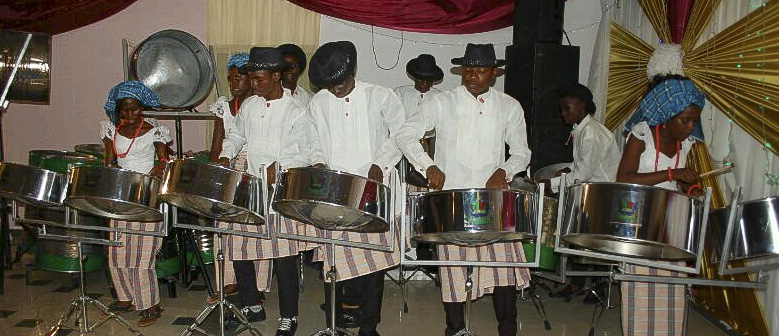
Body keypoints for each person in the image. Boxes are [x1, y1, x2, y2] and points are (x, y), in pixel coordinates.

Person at [396, 43, 532, 336]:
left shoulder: (509, 106)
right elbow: (406, 134)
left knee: (502, 270)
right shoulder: (443, 102)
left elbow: (522, 151)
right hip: (453, 199)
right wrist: (427, 165)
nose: (472, 76)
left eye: (480, 71)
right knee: (453, 269)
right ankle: (455, 329)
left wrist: (504, 171)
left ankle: (507, 330)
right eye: (468, 70)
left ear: (494, 73)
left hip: (492, 199)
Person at [307, 40, 405, 336]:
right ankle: (333, 323)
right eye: (329, 84)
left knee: (373, 262)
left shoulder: (380, 96)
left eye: (339, 82)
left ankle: (368, 326)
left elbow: (402, 133)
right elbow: (312, 142)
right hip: (336, 192)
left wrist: (381, 164)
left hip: (374, 187)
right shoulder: (318, 103)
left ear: (353, 71)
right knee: (333, 259)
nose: (335, 89)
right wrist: (318, 163)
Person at [218, 47, 312, 335]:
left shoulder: (297, 111)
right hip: (251, 188)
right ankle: (252, 305)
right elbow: (236, 134)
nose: (254, 84)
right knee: (241, 248)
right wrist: (225, 155)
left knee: (284, 257)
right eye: (252, 79)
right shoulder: (250, 105)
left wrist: (281, 166)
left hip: (280, 193)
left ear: (276, 76)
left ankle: (289, 316)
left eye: (259, 79)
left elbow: (306, 152)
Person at [616, 77, 704, 336]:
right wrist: (672, 174)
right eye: (685, 120)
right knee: (641, 294)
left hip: (670, 229)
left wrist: (692, 189)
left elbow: (679, 183)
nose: (690, 127)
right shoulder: (641, 136)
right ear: (667, 115)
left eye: (694, 121)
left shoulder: (685, 144)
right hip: (639, 225)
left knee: (672, 295)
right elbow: (625, 178)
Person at [101, 81, 170, 327]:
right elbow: (109, 162)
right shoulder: (111, 130)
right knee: (117, 251)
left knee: (142, 256)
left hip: (146, 197)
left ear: (142, 108)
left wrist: (157, 169)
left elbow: (164, 161)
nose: (130, 115)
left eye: (135, 109)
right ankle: (125, 298)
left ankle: (151, 304)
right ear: (118, 111)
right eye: (124, 111)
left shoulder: (155, 131)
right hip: (121, 196)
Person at [544, 83, 621, 303]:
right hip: (593, 191)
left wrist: (552, 183)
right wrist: (568, 168)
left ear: (583, 107)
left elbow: (584, 174)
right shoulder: (582, 130)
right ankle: (578, 284)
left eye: (567, 108)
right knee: (581, 241)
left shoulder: (591, 133)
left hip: (603, 194)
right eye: (561, 109)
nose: (563, 113)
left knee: (595, 243)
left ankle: (598, 286)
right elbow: (583, 165)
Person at [206, 52, 252, 303]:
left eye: (239, 78)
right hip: (227, 165)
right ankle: (226, 281)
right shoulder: (223, 105)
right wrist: (215, 173)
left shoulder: (257, 104)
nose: (234, 84)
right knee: (223, 227)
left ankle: (257, 288)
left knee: (253, 227)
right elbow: (217, 143)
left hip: (252, 167)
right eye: (231, 79)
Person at [394, 53, 444, 271]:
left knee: (428, 204)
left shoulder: (441, 98)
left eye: (427, 81)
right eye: (420, 80)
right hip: (401, 154)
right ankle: (404, 250)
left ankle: (426, 251)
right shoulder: (399, 94)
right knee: (402, 204)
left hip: (430, 157)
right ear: (413, 77)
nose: (423, 84)